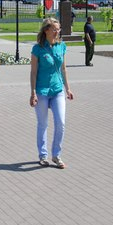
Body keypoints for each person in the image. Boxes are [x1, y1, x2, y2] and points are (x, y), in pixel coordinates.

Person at [30, 18, 74, 168]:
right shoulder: (37, 49)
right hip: (42, 91)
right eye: (54, 29)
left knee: (61, 123)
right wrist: (33, 92)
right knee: (43, 124)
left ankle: (56, 155)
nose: (57, 32)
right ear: (46, 30)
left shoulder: (62, 46)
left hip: (57, 90)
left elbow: (63, 69)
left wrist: (68, 88)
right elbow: (33, 72)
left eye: (58, 29)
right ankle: (43, 155)